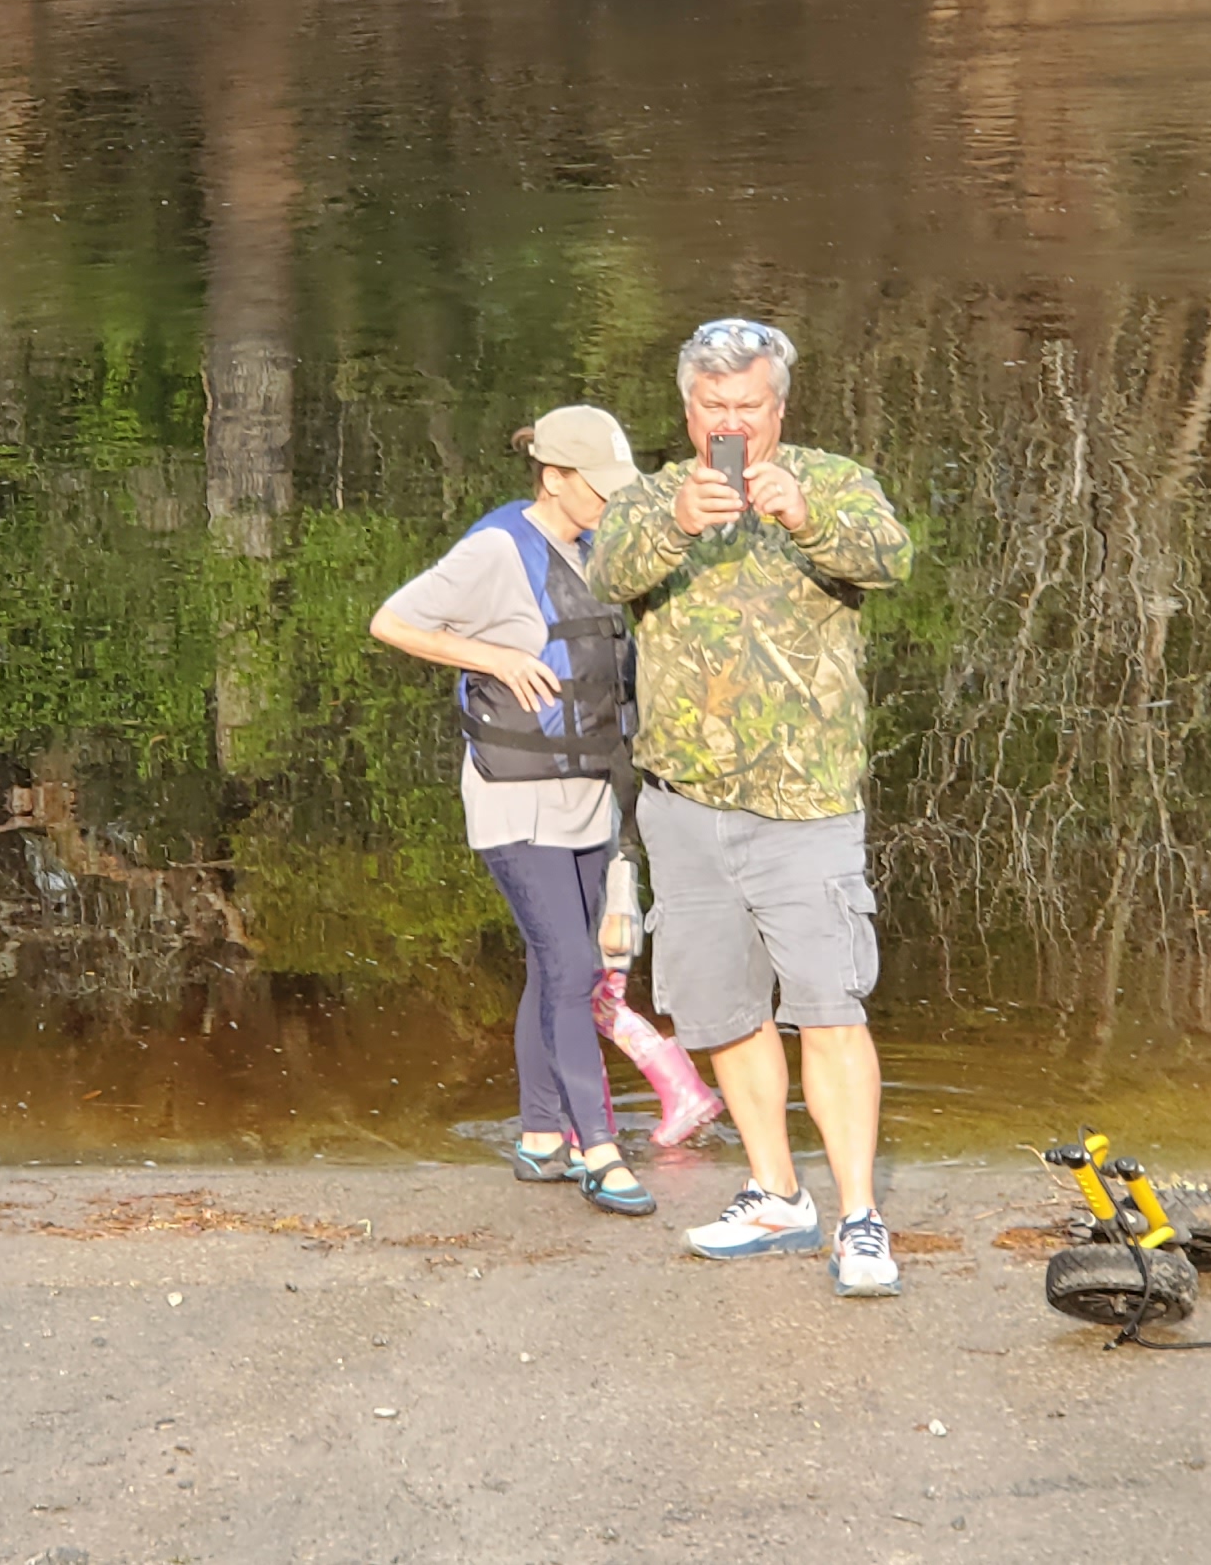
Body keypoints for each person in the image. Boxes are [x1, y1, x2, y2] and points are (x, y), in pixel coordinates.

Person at [583, 318, 914, 1298]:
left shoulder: (833, 479)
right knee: (723, 1010)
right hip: (684, 805)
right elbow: (606, 573)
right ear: (689, 410)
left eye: (750, 408)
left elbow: (890, 558)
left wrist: (805, 516)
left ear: (781, 407)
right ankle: (775, 1193)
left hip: (803, 801)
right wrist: (678, 522)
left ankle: (857, 1217)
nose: (733, 424)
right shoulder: (652, 497)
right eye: (714, 408)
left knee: (828, 1008)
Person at [369, 406, 658, 1217]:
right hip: (513, 797)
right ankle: (600, 1152)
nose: (609, 501)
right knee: (569, 965)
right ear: (552, 478)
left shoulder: (597, 545)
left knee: (563, 966)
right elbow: (391, 621)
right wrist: (491, 654)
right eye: (596, 488)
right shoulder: (497, 550)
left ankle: (539, 1136)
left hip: (588, 790)